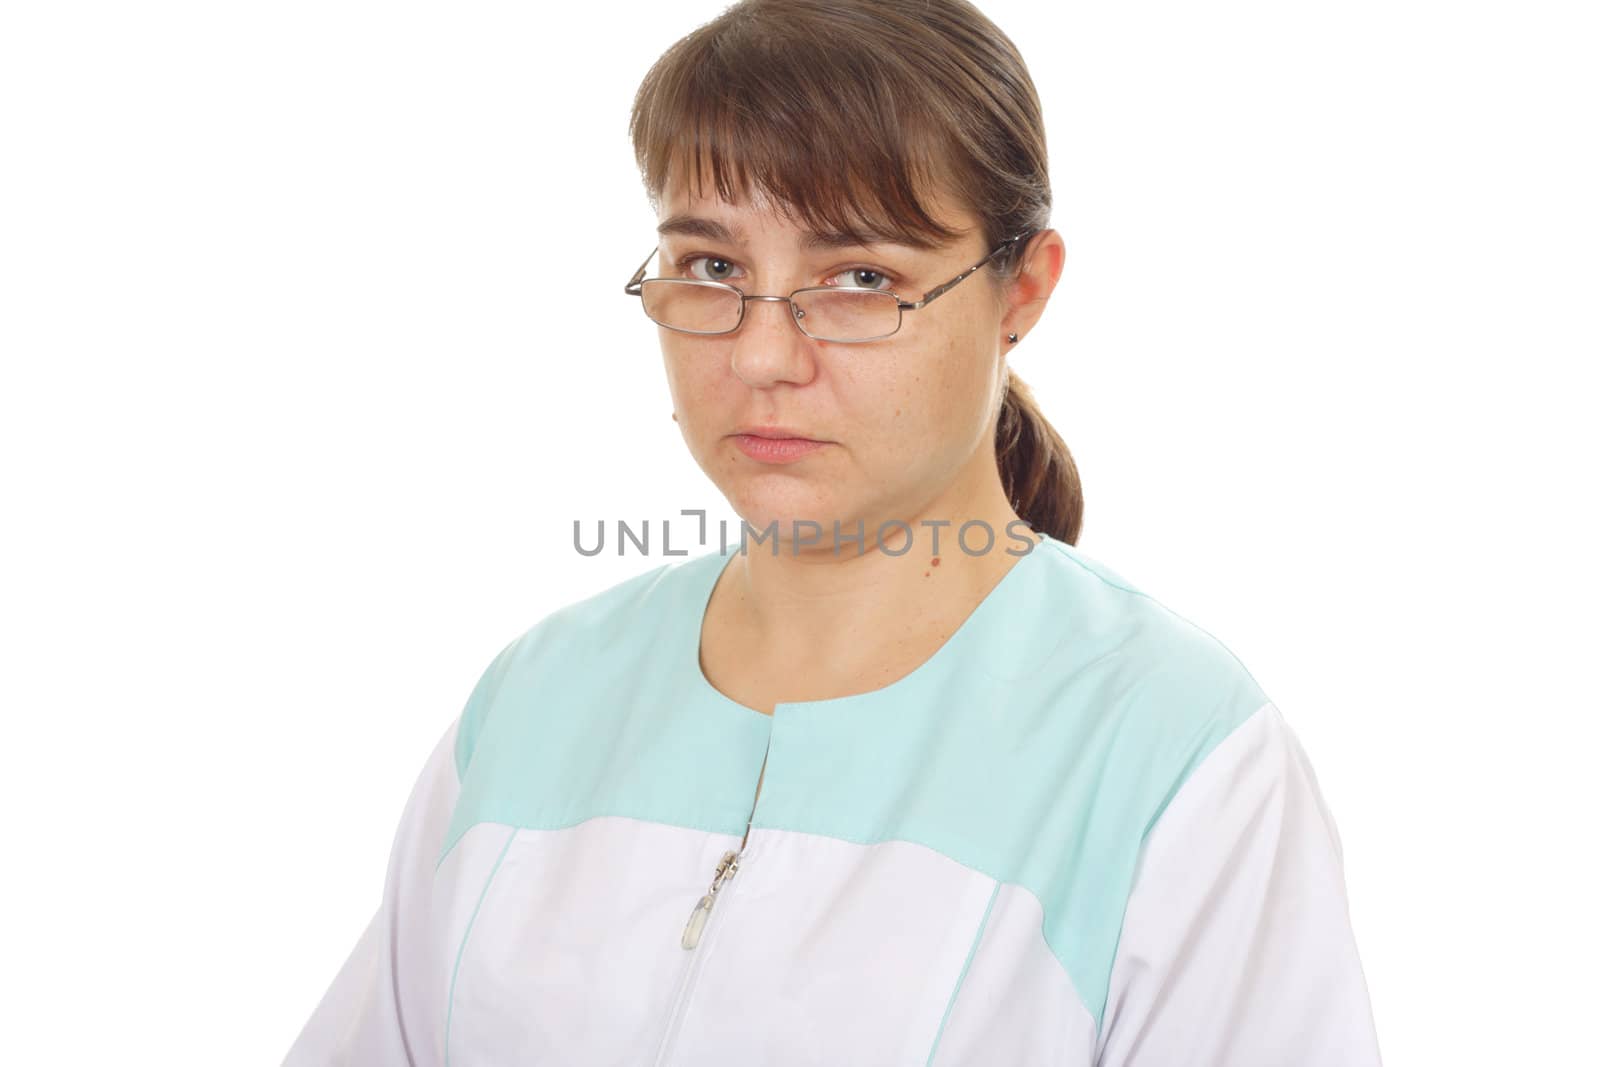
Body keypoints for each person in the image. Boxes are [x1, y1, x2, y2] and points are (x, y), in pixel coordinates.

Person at [283, 1, 1383, 1064]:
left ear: (1022, 290)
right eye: (714, 267)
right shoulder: (535, 701)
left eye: (861, 278)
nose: (762, 357)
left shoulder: (1171, 753)